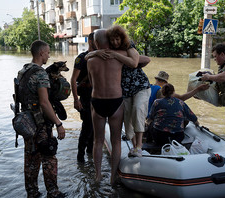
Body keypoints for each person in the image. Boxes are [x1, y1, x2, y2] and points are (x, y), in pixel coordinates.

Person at [87, 29, 137, 185]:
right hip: (115, 101)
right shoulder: (121, 55)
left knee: (98, 140)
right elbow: (140, 60)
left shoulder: (90, 61)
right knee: (116, 141)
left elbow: (90, 81)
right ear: (109, 41)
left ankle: (97, 175)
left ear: (95, 43)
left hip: (97, 100)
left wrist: (93, 53)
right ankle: (113, 176)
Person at [17, 40, 66, 198]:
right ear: (41, 53)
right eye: (48, 52)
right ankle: (53, 193)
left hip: (26, 123)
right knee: (49, 156)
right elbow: (44, 103)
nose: (49, 55)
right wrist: (59, 124)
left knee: (31, 159)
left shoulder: (23, 71)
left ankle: (32, 193)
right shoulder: (40, 73)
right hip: (40, 123)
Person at [107, 25, 151, 158]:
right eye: (112, 40)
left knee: (138, 109)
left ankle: (139, 146)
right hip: (125, 89)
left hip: (140, 86)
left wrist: (116, 55)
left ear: (122, 38)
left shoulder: (128, 45)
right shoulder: (108, 49)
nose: (115, 42)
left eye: (117, 39)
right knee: (127, 118)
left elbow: (134, 62)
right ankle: (134, 146)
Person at [70, 33, 96, 163]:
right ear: (91, 41)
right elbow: (73, 79)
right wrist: (75, 99)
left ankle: (90, 154)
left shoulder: (100, 57)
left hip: (98, 98)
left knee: (94, 129)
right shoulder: (82, 58)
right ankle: (80, 157)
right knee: (87, 127)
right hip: (85, 98)